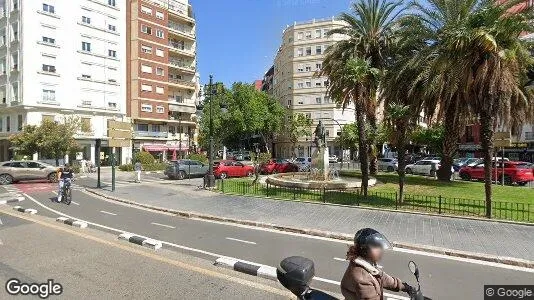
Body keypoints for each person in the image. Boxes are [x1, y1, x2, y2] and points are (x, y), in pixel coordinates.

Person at [340, 228, 415, 300]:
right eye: (375, 246)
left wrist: (406, 287)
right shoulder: (362, 279)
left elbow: (383, 278)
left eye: (380, 246)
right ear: (364, 249)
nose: (380, 250)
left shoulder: (368, 264)